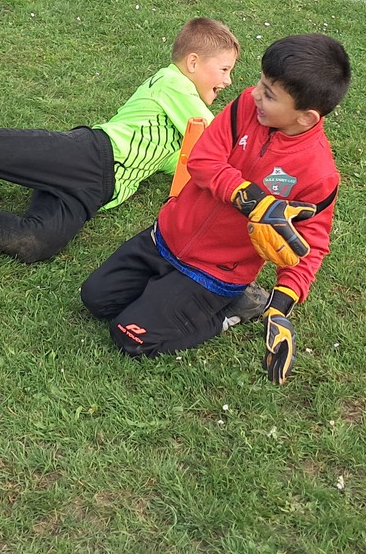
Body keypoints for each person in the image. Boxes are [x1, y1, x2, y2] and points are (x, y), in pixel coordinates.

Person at [0, 19, 239, 263]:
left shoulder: (185, 125)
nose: (227, 81)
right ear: (192, 63)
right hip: (89, 156)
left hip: (94, 193)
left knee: (32, 244)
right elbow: (222, 140)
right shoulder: (172, 83)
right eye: (223, 69)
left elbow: (188, 166)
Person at [80, 34, 351, 386]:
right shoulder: (245, 107)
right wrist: (251, 199)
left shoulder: (318, 173)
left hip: (213, 273)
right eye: (261, 82)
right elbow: (202, 160)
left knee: (130, 336)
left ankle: (235, 308)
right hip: (165, 238)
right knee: (95, 299)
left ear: (306, 117)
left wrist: (281, 304)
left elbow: (310, 245)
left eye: (270, 94)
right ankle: (167, 290)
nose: (255, 94)